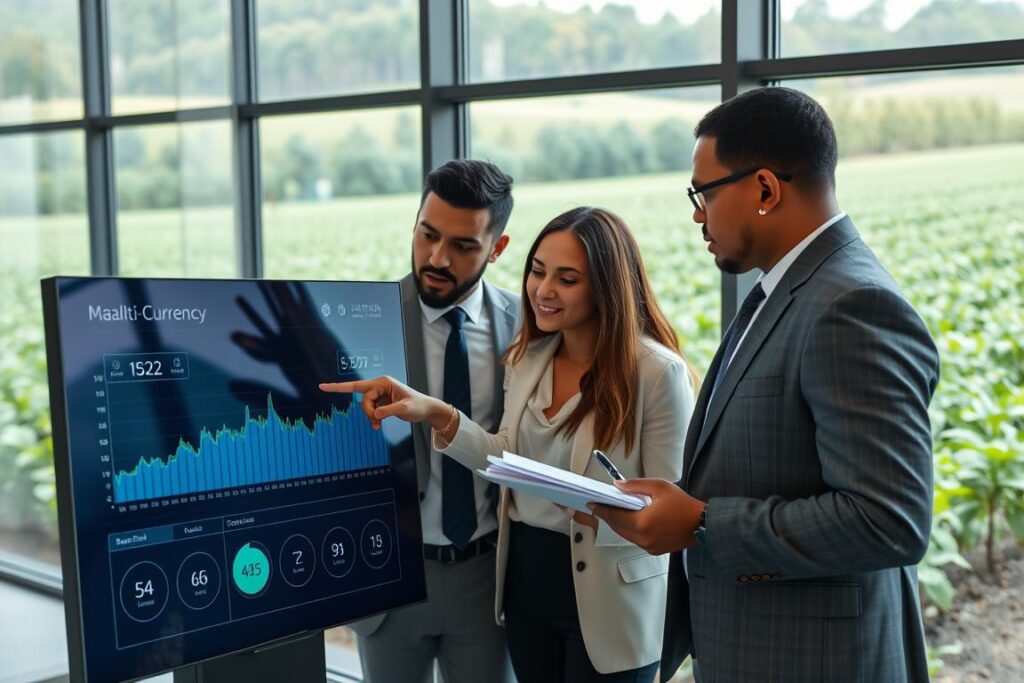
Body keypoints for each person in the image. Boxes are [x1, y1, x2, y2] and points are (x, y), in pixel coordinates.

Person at [589, 87, 941, 682]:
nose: (697, 214)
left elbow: (890, 520)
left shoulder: (851, 306)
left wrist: (700, 523)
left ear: (765, 189)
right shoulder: (785, 291)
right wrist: (668, 505)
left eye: (702, 193)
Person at [323, 207, 698, 682]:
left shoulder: (656, 373)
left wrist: (607, 510)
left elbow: (668, 513)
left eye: (567, 279)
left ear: (606, 286)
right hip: (527, 585)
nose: (543, 290)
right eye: (538, 271)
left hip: (610, 596)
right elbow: (504, 457)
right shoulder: (528, 356)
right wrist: (435, 411)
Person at [345, 159, 519, 683]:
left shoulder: (527, 327)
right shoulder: (359, 323)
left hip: (488, 582)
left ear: (497, 248)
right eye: (427, 235)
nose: (437, 258)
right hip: (390, 581)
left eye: (463, 246)